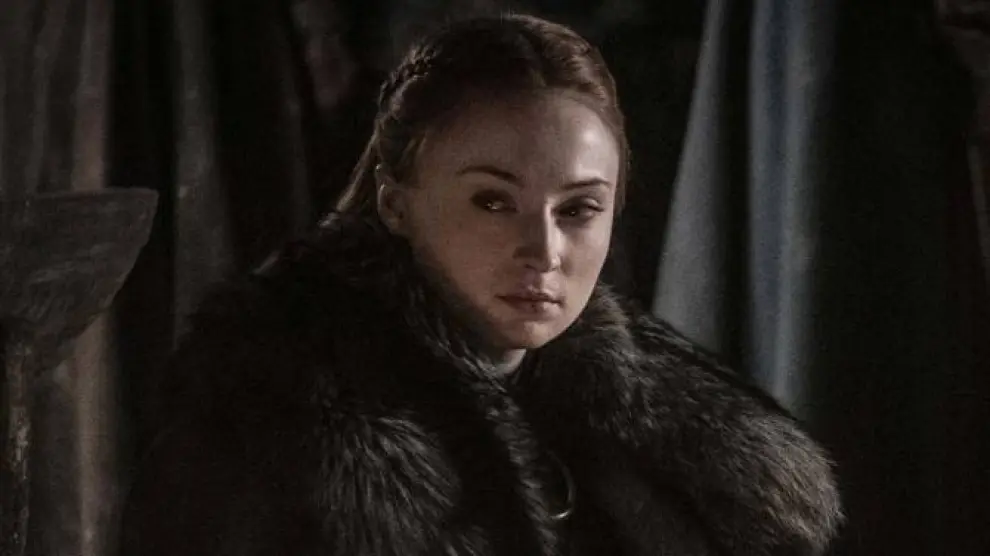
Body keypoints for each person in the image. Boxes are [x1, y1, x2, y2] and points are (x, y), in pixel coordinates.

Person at [118, 13, 842, 556]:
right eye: (493, 202)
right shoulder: (269, 414)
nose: (544, 251)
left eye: (578, 209)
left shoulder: (659, 421)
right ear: (395, 201)